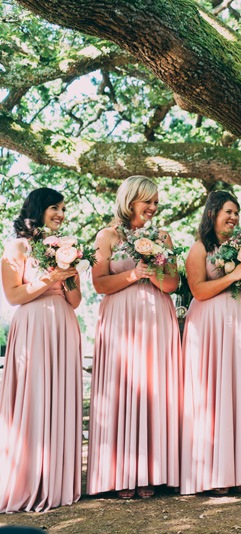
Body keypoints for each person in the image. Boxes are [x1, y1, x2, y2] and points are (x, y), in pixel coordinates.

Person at [86, 175, 181, 499]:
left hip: (156, 317)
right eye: (147, 201)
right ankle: (121, 473)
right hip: (120, 320)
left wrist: (154, 269)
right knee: (122, 388)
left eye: (156, 202)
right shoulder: (107, 236)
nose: (153, 207)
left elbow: (172, 284)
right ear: (130, 201)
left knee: (155, 389)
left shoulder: (164, 237)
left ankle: (152, 473)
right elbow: (99, 284)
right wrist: (132, 273)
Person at [0, 188, 82, 513]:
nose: (61, 214)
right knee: (33, 398)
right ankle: (25, 478)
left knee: (59, 398)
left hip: (62, 325)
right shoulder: (17, 246)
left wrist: (71, 275)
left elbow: (75, 302)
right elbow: (14, 295)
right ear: (38, 209)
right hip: (32, 327)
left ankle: (56, 481)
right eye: (54, 207)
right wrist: (52, 276)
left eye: (63, 208)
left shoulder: (67, 248)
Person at [180, 191, 241, 495]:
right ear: (213, 213)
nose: (234, 217)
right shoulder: (199, 248)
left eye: (237, 213)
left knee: (238, 391)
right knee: (213, 394)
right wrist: (234, 275)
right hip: (209, 329)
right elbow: (198, 291)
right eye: (228, 211)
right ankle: (213, 473)